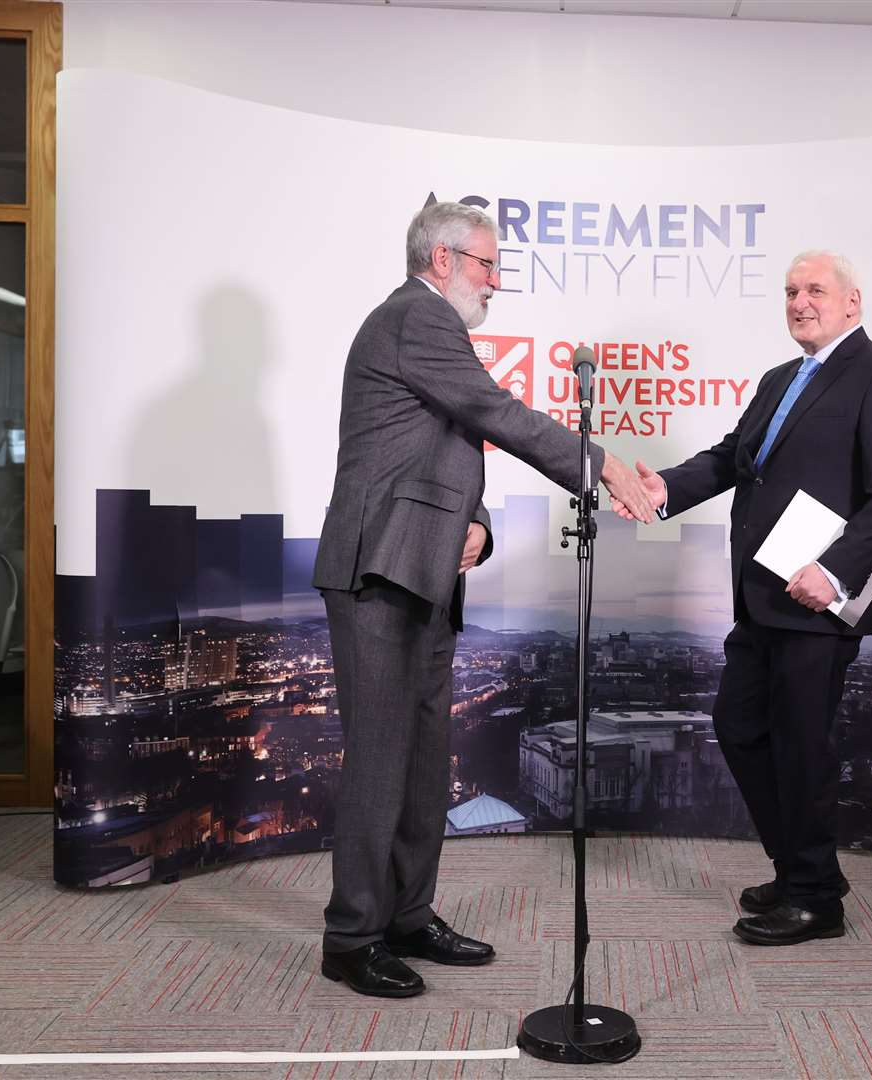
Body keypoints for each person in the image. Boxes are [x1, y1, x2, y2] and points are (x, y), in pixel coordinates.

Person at [311, 200, 654, 998]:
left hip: (422, 569)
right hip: (377, 573)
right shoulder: (416, 318)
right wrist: (599, 465)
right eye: (488, 266)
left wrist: (481, 527)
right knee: (379, 762)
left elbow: (449, 447)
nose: (497, 283)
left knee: (426, 760)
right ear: (442, 262)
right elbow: (496, 413)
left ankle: (408, 914)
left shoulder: (432, 332)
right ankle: (351, 936)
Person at [611, 251, 872, 947]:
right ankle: (800, 867)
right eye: (790, 291)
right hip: (759, 593)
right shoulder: (781, 378)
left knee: (804, 747)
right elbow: (732, 458)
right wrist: (664, 487)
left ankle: (815, 900)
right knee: (741, 726)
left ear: (853, 301)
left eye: (815, 289)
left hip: (816, 599)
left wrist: (836, 572)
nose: (799, 301)